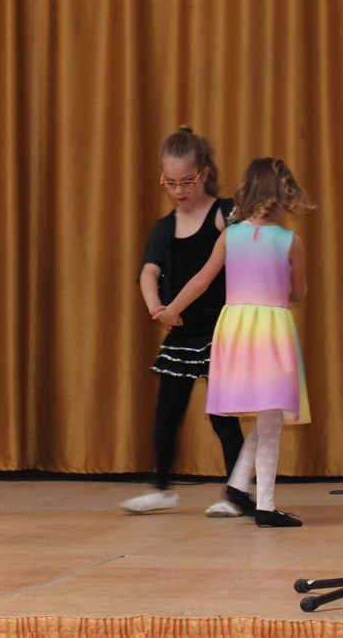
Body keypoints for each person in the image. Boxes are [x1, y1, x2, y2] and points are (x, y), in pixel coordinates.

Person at [153, 157, 314, 527]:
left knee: (267, 415)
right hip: (270, 331)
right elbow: (300, 293)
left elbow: (201, 280)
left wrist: (171, 310)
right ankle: (266, 507)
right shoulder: (291, 242)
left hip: (235, 329)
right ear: (283, 194)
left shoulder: (230, 235)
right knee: (270, 415)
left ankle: (239, 486)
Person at [120, 126, 253, 518]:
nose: (179, 190)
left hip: (220, 330)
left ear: (204, 173)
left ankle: (238, 493)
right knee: (166, 416)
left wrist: (172, 307)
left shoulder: (225, 214)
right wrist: (157, 308)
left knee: (222, 418)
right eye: (171, 182)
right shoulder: (164, 227)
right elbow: (148, 272)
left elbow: (219, 270)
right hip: (181, 331)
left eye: (187, 181)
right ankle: (161, 488)